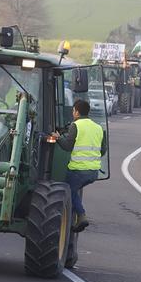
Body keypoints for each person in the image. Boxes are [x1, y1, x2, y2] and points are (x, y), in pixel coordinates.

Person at [51, 99, 104, 233]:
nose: (72, 113)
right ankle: (71, 223)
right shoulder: (98, 128)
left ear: (77, 112)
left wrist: (58, 138)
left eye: (73, 110)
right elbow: (103, 150)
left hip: (78, 170)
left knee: (68, 189)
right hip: (93, 172)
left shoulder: (76, 126)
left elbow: (67, 146)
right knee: (73, 191)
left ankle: (81, 216)